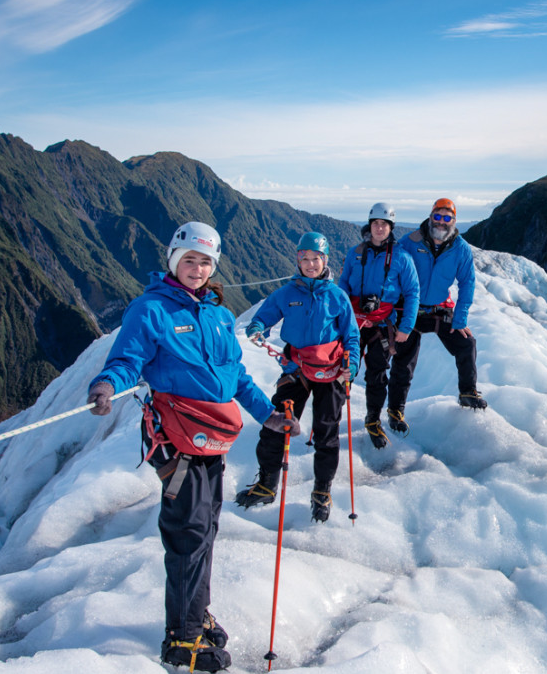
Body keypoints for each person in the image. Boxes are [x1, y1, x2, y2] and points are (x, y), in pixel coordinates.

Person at [86, 221, 300, 672]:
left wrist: (269, 415)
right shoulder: (151, 310)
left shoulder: (218, 316)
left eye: (205, 261)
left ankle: (195, 614)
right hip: (178, 441)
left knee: (205, 532)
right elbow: (128, 360)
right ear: (173, 261)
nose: (197, 268)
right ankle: (181, 640)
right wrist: (106, 384)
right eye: (189, 259)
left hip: (210, 439)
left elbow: (236, 377)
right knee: (188, 536)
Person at [235, 232, 360, 522]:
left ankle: (321, 490)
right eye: (304, 258)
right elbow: (264, 316)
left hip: (332, 371)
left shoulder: (337, 296)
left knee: (326, 433)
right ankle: (267, 484)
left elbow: (352, 336)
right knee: (275, 424)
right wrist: (257, 328)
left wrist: (351, 366)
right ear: (298, 260)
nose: (310, 264)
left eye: (316, 258)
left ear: (325, 260)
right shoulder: (287, 294)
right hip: (297, 367)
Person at [386, 198, 486, 434]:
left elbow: (467, 282)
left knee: (466, 343)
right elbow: (391, 273)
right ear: (430, 217)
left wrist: (460, 317)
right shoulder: (410, 242)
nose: (441, 222)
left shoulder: (460, 248)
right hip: (407, 308)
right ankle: (395, 411)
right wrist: (389, 310)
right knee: (404, 362)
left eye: (446, 217)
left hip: (438, 310)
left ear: (454, 221)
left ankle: (467, 392)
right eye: (437, 216)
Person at [338, 202, 420, 449]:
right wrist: (339, 315)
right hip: (353, 321)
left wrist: (406, 327)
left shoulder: (402, 258)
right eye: (376, 223)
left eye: (384, 224)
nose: (379, 228)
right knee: (342, 369)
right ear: (369, 225)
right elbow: (343, 284)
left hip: (381, 325)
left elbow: (413, 292)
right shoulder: (355, 253)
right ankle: (331, 414)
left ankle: (373, 419)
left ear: (390, 227)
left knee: (377, 374)